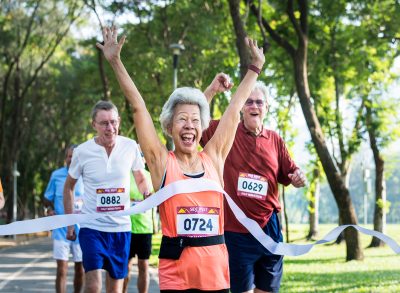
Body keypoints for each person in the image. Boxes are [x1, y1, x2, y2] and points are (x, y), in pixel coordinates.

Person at [97, 26, 264, 292]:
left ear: (203, 127)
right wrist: (115, 61)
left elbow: (234, 110)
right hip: (176, 275)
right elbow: (138, 106)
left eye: (195, 120)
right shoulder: (162, 163)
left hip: (215, 273)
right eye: (182, 120)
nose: (189, 125)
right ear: (170, 126)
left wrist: (254, 68)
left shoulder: (214, 157)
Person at [201, 80, 307, 293]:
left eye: (259, 102)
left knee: (268, 290)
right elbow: (198, 120)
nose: (254, 106)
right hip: (236, 230)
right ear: (240, 106)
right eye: (248, 102)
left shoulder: (275, 140)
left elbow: (292, 172)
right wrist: (212, 90)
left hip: (270, 229)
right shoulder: (225, 132)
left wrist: (298, 178)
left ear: (266, 108)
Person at [63, 100, 150, 293]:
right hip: (92, 227)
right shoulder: (82, 152)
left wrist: (146, 194)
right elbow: (68, 187)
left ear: (118, 121)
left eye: (113, 122)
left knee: (115, 289)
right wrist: (70, 223)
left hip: (121, 229)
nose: (110, 128)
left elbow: (141, 178)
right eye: (104, 123)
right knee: (93, 286)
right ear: (93, 124)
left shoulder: (130, 147)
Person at [43, 144, 85, 293]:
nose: (71, 159)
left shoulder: (87, 175)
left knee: (80, 269)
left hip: (82, 230)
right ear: (65, 158)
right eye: (69, 156)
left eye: (74, 157)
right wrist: (49, 210)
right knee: (62, 269)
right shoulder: (56, 175)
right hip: (61, 229)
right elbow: (47, 198)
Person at [123, 169, 154, 293]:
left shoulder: (150, 176)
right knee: (125, 266)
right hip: (127, 227)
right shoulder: (124, 175)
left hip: (145, 228)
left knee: (144, 266)